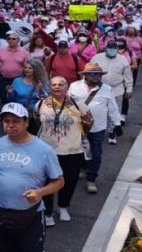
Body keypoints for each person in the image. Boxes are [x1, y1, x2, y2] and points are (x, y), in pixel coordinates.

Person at [0, 103, 64, 252]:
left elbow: (59, 181)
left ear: (26, 122)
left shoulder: (44, 150)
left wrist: (39, 193)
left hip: (30, 214)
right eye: (6, 121)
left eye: (15, 121)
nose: (10, 125)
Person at [35, 76, 92, 226]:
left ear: (66, 87)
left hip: (72, 150)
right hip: (48, 151)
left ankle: (63, 207)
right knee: (47, 181)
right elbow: (36, 121)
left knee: (69, 181)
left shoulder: (78, 105)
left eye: (61, 84)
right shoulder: (41, 104)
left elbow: (89, 122)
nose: (57, 87)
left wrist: (76, 136)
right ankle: (47, 213)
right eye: (53, 84)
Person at [68, 63, 122, 193]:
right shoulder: (74, 86)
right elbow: (67, 103)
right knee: (77, 151)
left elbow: (113, 108)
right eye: (92, 74)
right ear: (85, 75)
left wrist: (117, 124)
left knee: (96, 154)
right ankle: (82, 168)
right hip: (77, 127)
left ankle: (91, 179)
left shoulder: (107, 89)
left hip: (98, 127)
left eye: (98, 74)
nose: (95, 77)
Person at [90, 41, 133, 144]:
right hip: (99, 88)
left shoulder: (123, 60)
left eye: (114, 48)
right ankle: (96, 131)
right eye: (110, 48)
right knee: (96, 110)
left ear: (117, 49)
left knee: (115, 111)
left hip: (116, 89)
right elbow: (89, 71)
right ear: (106, 48)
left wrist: (129, 89)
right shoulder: (97, 58)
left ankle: (112, 132)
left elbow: (128, 76)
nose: (112, 50)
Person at [6, 60, 50, 129]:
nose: (27, 70)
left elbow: (46, 99)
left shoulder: (41, 82)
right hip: (19, 113)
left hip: (34, 115)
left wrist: (40, 89)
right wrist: (10, 93)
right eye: (25, 67)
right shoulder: (17, 81)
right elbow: (11, 99)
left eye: (30, 68)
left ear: (36, 69)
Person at [0, 31, 30, 104]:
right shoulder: (1, 50)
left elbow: (27, 66)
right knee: (3, 97)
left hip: (18, 79)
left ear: (18, 40)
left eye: (13, 39)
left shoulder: (24, 52)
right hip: (3, 79)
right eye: (9, 38)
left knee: (17, 97)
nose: (11, 40)